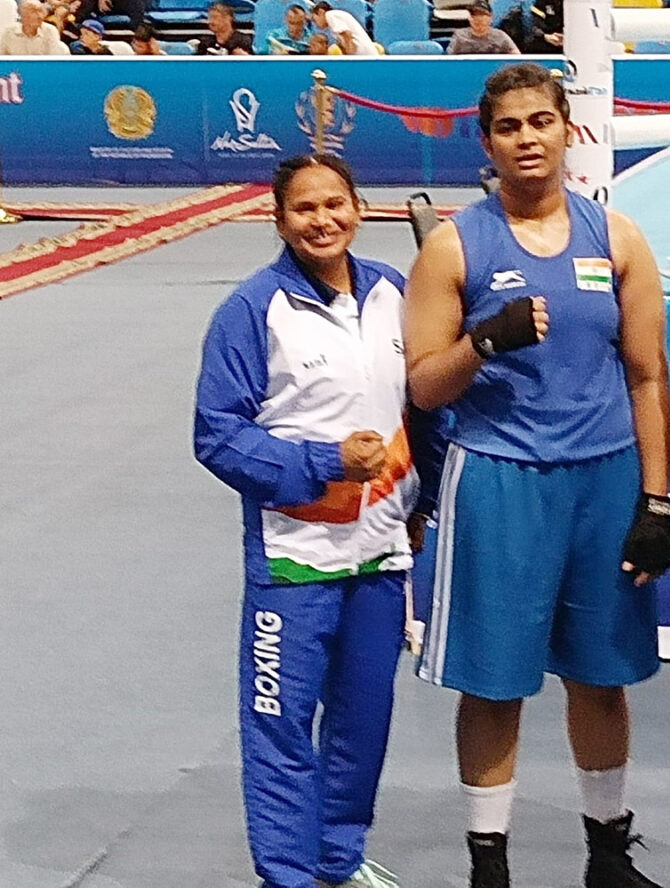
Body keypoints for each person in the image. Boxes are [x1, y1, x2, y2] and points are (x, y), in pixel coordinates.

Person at [404, 62, 670, 888]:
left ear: (568, 130)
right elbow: (422, 385)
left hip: (603, 480)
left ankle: (607, 856)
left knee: (601, 676)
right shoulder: (456, 245)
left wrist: (657, 501)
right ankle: (490, 866)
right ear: (488, 142)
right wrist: (484, 341)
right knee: (494, 685)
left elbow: (647, 375)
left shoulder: (618, 237)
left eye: (540, 122)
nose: (527, 139)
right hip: (499, 479)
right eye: (510, 127)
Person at [194, 154, 441, 888]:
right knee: (281, 729)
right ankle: (289, 876)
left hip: (379, 557)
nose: (322, 220)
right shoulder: (251, 310)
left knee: (362, 727)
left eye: (335, 204)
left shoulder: (395, 295)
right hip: (294, 561)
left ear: (359, 210)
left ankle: (339, 860)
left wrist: (420, 506)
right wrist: (326, 462)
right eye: (305, 209)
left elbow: (424, 410)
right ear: (279, 220)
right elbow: (217, 435)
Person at [447, 0, 520, 55]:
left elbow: (517, 56)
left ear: (491, 18)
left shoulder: (501, 36)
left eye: (482, 15)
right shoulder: (459, 36)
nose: (479, 19)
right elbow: (450, 59)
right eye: (475, 15)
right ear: (470, 18)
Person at [0, 0, 67, 54]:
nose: (40, 16)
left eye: (41, 12)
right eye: (34, 12)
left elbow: (54, 61)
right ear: (23, 16)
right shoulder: (8, 33)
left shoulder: (50, 31)